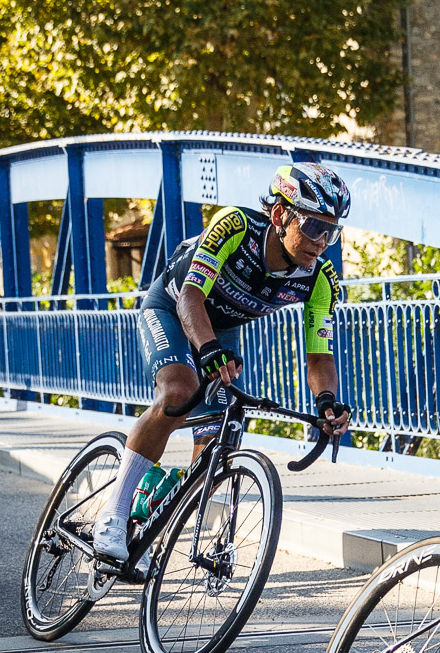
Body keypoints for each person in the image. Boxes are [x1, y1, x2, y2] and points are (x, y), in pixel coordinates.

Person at [92, 163, 352, 564]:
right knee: (178, 392)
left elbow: (319, 355)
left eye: (331, 233)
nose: (321, 242)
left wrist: (327, 402)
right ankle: (113, 513)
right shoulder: (235, 227)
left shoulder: (320, 279)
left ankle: (148, 519)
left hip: (220, 328)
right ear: (280, 214)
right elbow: (190, 297)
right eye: (314, 227)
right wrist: (208, 349)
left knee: (216, 448)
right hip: (173, 307)